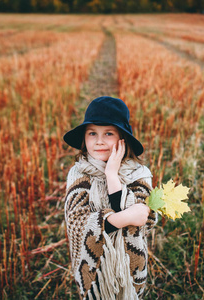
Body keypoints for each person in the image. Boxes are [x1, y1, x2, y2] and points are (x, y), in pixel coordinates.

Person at [63, 96, 157, 300]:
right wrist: (123, 218)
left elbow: (145, 220)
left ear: (122, 138)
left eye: (108, 133)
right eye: (92, 133)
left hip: (131, 269)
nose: (99, 141)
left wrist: (112, 176)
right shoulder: (78, 174)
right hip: (93, 273)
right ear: (84, 138)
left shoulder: (139, 174)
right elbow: (76, 222)